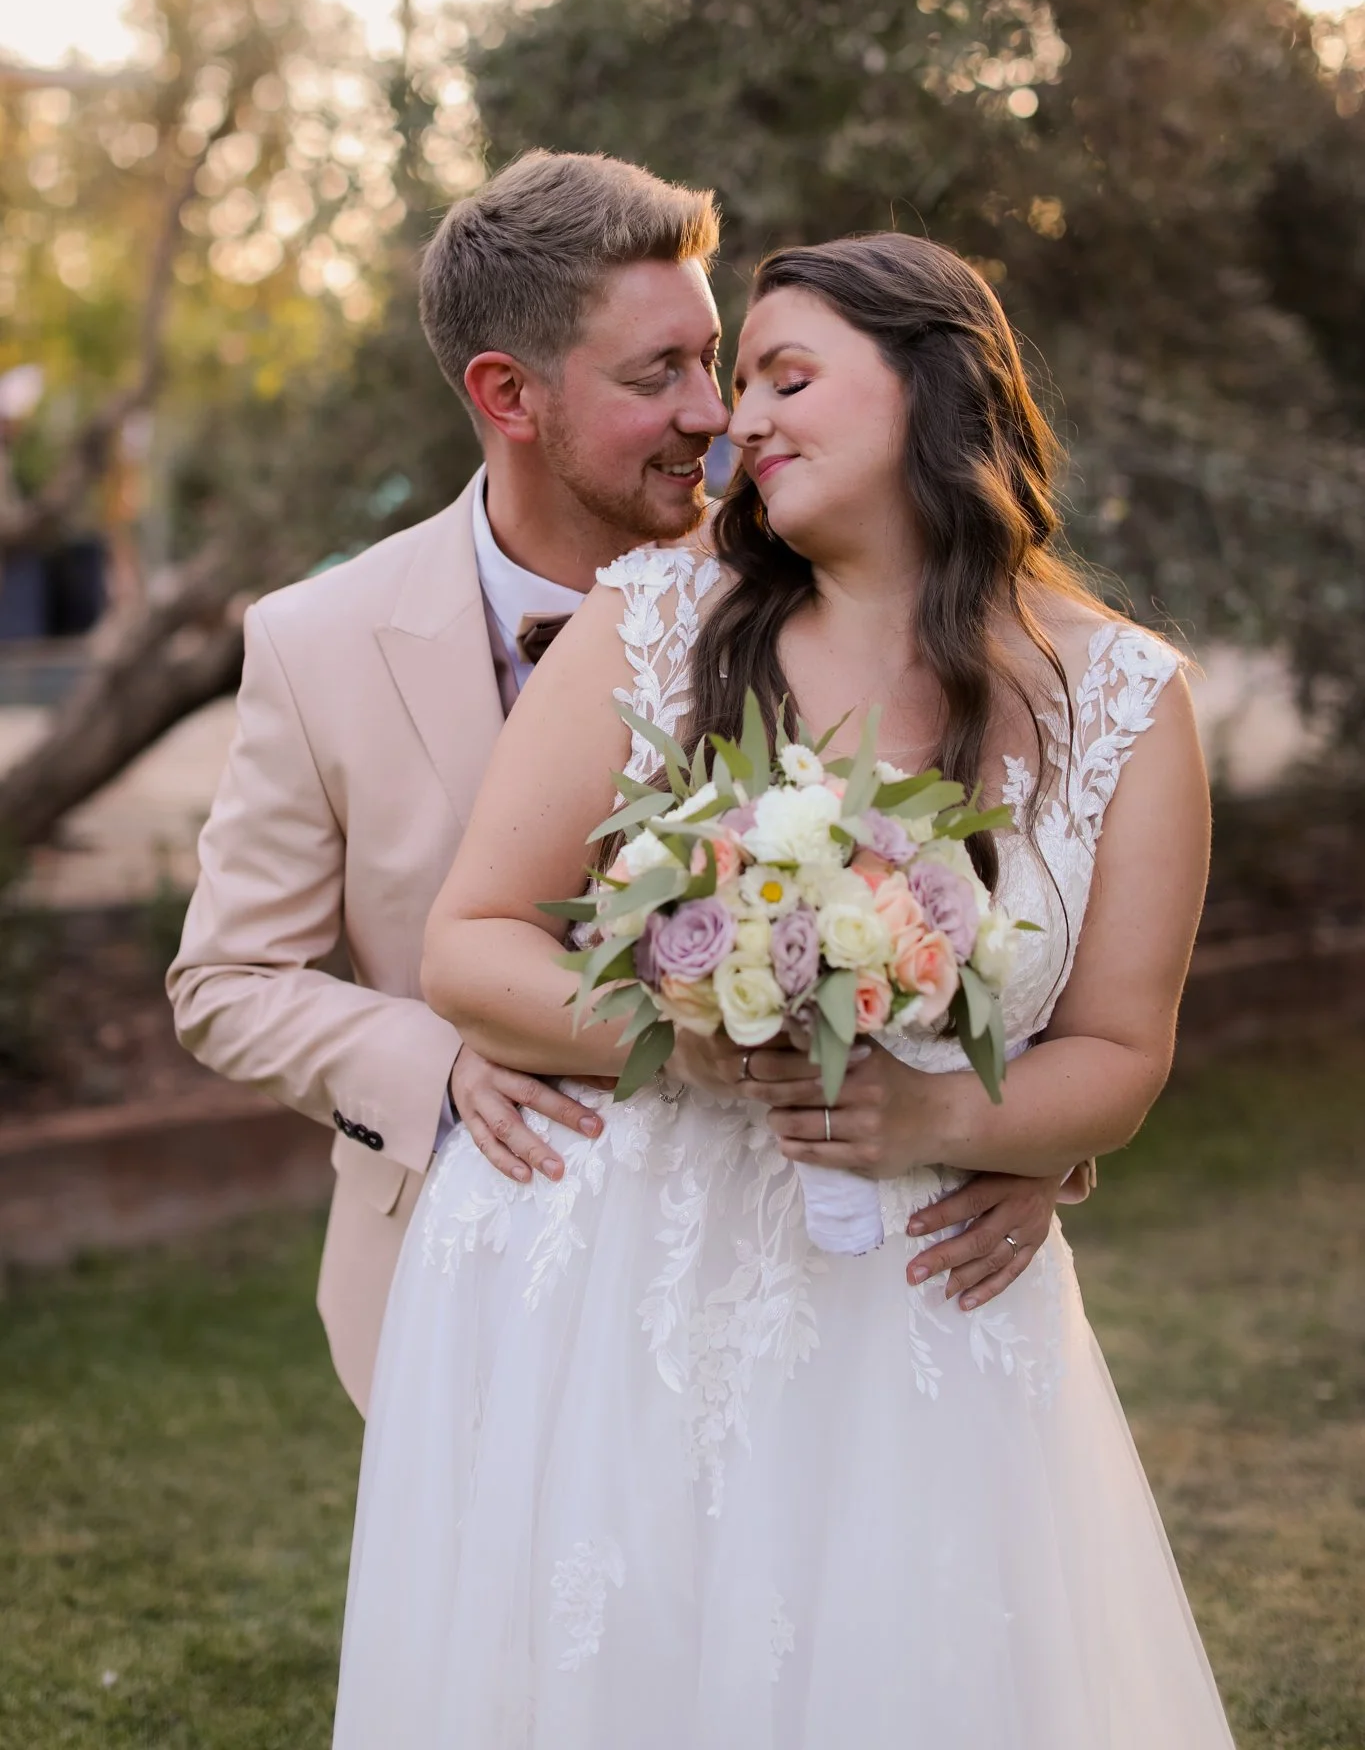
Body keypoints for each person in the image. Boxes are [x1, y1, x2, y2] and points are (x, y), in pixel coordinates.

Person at [332, 232, 1233, 1747]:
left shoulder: (1129, 699)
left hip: (918, 1299)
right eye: (734, 385)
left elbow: (1124, 1055)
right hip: (618, 1296)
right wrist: (681, 1043)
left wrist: (940, 1118)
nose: (739, 420)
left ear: (936, 387)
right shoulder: (657, 624)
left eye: (784, 377)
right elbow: (472, 943)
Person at [167, 154, 1070, 1414]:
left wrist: (1022, 1138)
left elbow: (1017, 879)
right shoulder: (315, 640)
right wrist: (441, 1064)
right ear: (508, 393)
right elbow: (225, 979)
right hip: (458, 1263)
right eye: (663, 374)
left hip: (789, 1288)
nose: (719, 413)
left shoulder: (832, 584)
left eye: (719, 359)